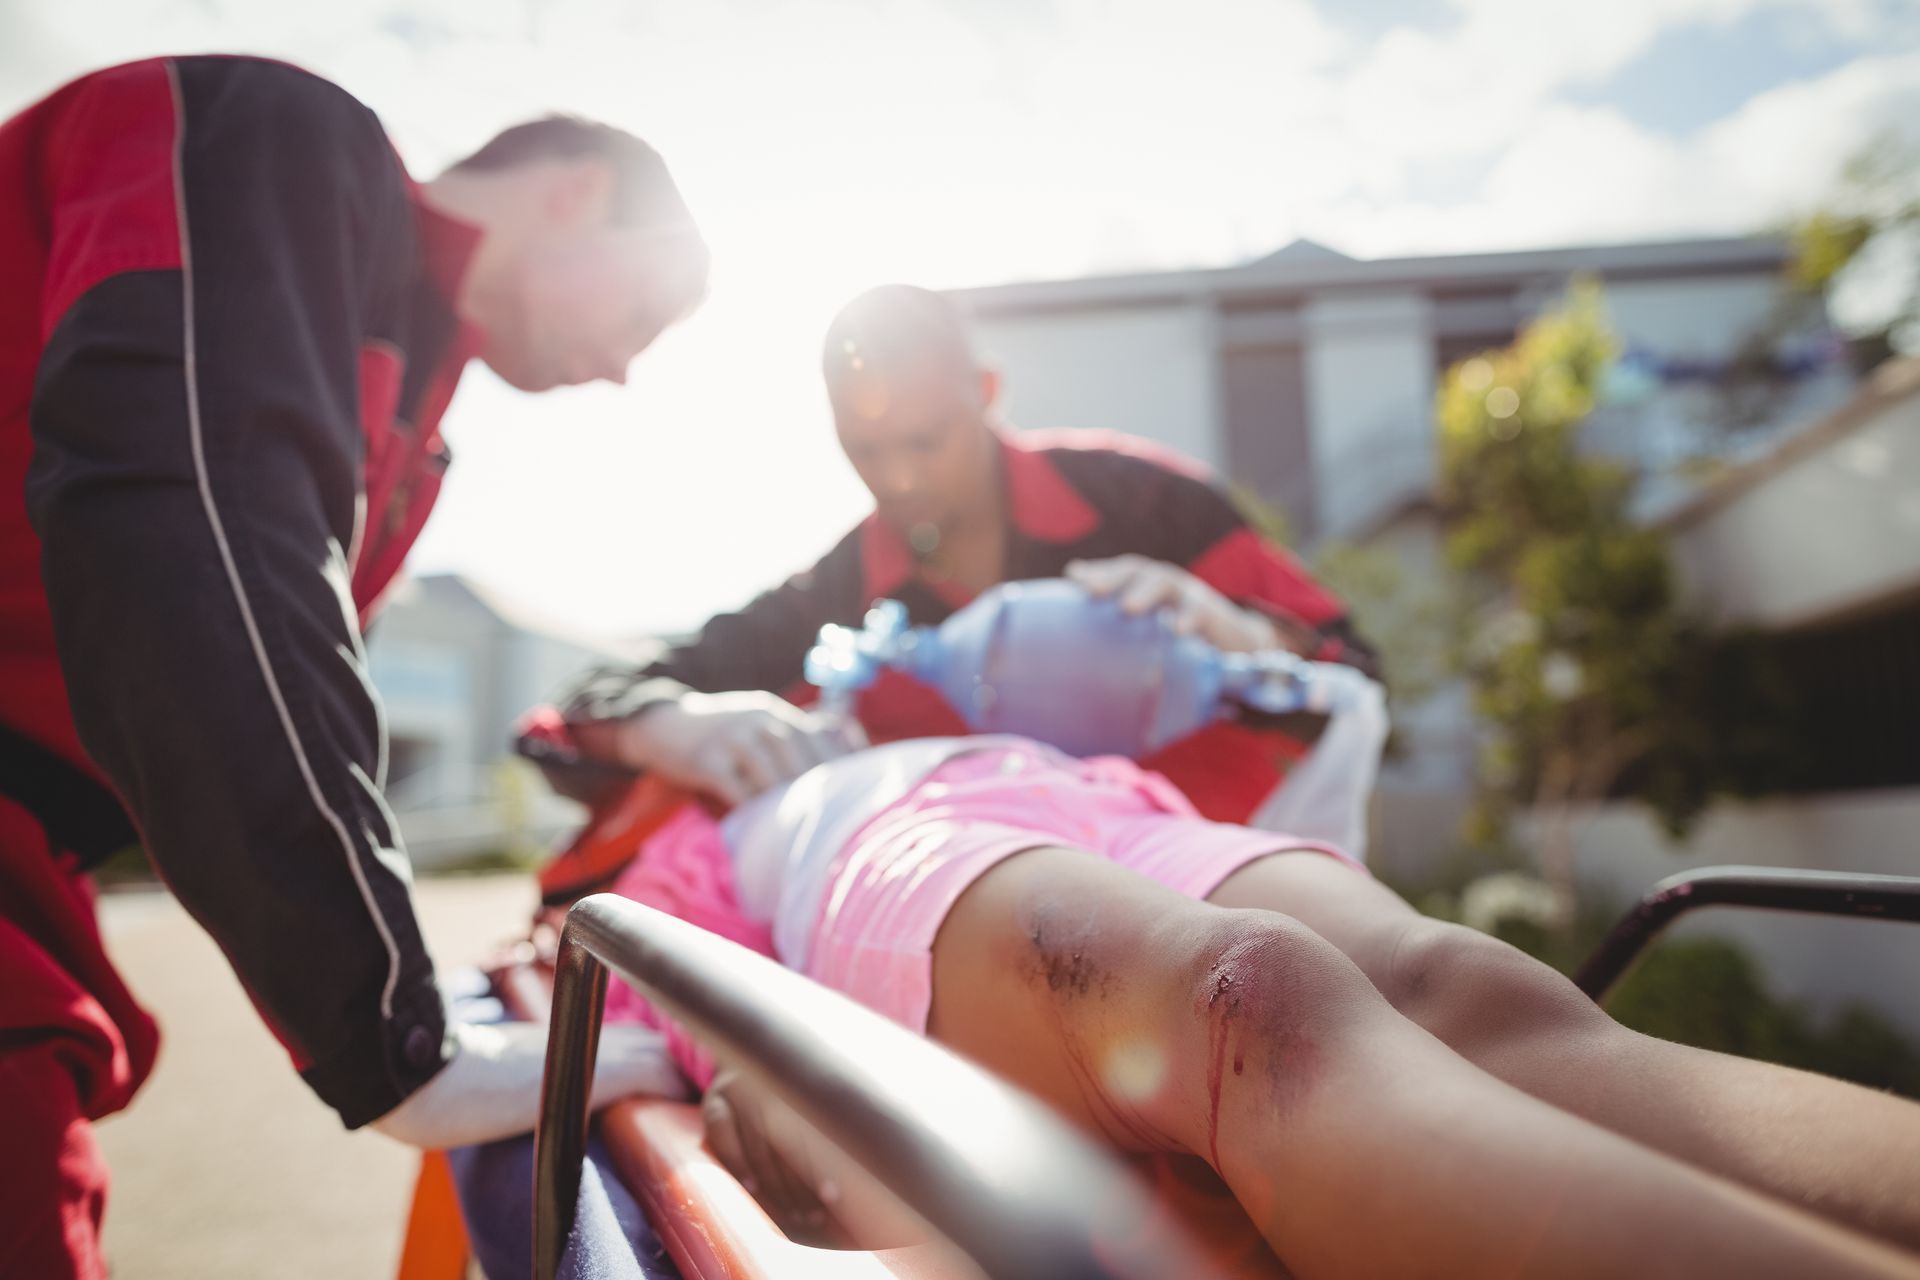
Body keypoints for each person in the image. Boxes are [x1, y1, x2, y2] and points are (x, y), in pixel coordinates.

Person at [0, 55, 705, 1276]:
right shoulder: (277, 136)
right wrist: (395, 1028)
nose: (621, 370)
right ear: (574, 192)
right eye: (640, 314)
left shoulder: (412, 409)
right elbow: (194, 528)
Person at [586, 731, 1920, 1275]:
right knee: (1250, 1014)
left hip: (1097, 799)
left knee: (1458, 984)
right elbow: (691, 1012)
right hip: (886, 854)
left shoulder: (975, 699)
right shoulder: (702, 825)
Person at [557, 283, 1378, 823]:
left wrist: (1235, 637)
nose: (899, 477)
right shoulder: (834, 599)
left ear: (985, 394)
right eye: (865, 447)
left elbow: (1359, 677)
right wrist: (666, 728)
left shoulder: (1151, 507)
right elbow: (581, 712)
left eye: (925, 439)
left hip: (1232, 918)